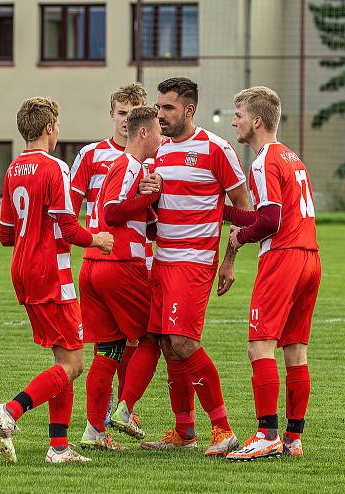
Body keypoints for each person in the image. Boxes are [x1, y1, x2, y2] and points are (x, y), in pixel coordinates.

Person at [0, 97, 114, 464]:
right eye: (56, 126)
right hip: (51, 274)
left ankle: (58, 447)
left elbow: (6, 235)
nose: (58, 131)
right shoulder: (55, 167)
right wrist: (98, 238)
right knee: (74, 365)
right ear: (48, 128)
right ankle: (11, 409)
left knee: (63, 360)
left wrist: (36, 232)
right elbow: (70, 226)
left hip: (23, 272)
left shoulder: (13, 169)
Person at [139, 77, 249, 456]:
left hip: (195, 260)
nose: (160, 114)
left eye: (168, 107)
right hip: (162, 258)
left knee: (185, 342)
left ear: (189, 109)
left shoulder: (216, 149)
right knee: (169, 344)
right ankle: (184, 428)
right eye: (158, 107)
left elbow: (244, 209)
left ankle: (223, 429)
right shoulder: (158, 152)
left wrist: (229, 260)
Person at [220, 87, 320, 461]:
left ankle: (266, 434)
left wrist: (239, 236)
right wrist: (224, 213)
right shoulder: (292, 157)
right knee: (295, 351)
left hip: (283, 257)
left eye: (239, 114)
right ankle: (293, 438)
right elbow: (268, 213)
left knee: (259, 345)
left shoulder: (262, 162)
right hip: (310, 256)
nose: (234, 121)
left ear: (256, 121)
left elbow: (270, 222)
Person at [79, 106, 163, 450]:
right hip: (120, 263)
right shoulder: (129, 165)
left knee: (108, 350)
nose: (161, 137)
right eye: (158, 131)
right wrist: (151, 197)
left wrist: (149, 205)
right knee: (153, 336)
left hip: (93, 263)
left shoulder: (124, 166)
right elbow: (113, 212)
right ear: (142, 133)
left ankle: (94, 432)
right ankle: (126, 410)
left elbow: (132, 215)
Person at [69, 83, 151, 426]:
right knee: (138, 337)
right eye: (121, 114)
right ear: (112, 114)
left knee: (123, 342)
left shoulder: (152, 155)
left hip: (139, 257)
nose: (124, 121)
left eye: (132, 115)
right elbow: (68, 211)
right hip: (110, 260)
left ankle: (110, 416)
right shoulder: (91, 155)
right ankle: (114, 411)